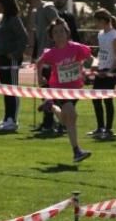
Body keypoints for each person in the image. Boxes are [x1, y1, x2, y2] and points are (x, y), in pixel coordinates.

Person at [36, 18, 93, 163]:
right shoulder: (51, 53)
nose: (59, 34)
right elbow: (39, 62)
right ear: (52, 36)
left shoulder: (76, 48)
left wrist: (92, 65)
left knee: (65, 119)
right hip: (59, 89)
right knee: (72, 115)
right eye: (56, 32)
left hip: (75, 89)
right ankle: (76, 151)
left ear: (67, 33)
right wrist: (40, 78)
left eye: (62, 31)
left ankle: (51, 107)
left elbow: (90, 57)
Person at [24, 0, 60, 134]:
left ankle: (53, 123)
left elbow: (59, 26)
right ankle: (47, 122)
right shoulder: (35, 11)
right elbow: (34, 34)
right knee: (44, 90)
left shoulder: (48, 8)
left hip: (51, 58)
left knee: (50, 90)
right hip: (41, 57)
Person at [0, 0, 27, 133]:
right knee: (5, 90)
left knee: (12, 89)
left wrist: (15, 54)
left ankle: (13, 120)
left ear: (3, 4)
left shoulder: (13, 19)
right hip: (0, 59)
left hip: (10, 60)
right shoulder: (2, 19)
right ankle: (7, 118)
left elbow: (23, 38)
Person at [89, 9, 116, 141]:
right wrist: (95, 64)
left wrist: (109, 71)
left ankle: (108, 129)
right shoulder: (101, 34)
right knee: (96, 98)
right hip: (101, 70)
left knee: (108, 100)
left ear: (103, 20)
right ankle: (100, 127)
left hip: (110, 71)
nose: (96, 24)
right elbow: (101, 53)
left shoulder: (114, 35)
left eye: (97, 21)